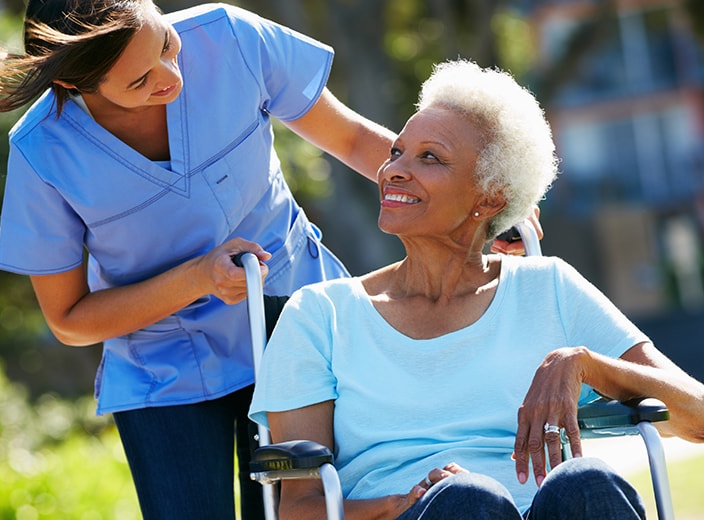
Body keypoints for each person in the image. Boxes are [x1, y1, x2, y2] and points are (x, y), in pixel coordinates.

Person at [0, 1, 536, 517]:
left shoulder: (231, 38)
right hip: (161, 367)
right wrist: (198, 277)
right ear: (77, 84)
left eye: (167, 45)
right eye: (140, 80)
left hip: (296, 328)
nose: (172, 76)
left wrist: (476, 214)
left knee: (305, 509)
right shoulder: (42, 153)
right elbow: (70, 320)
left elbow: (352, 141)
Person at [249, 58, 704, 519]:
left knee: (588, 483)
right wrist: (398, 505)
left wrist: (585, 365)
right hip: (421, 514)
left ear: (489, 197)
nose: (394, 171)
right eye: (397, 152)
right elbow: (298, 508)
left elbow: (698, 415)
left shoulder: (548, 288)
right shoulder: (320, 314)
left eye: (430, 158)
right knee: (469, 500)